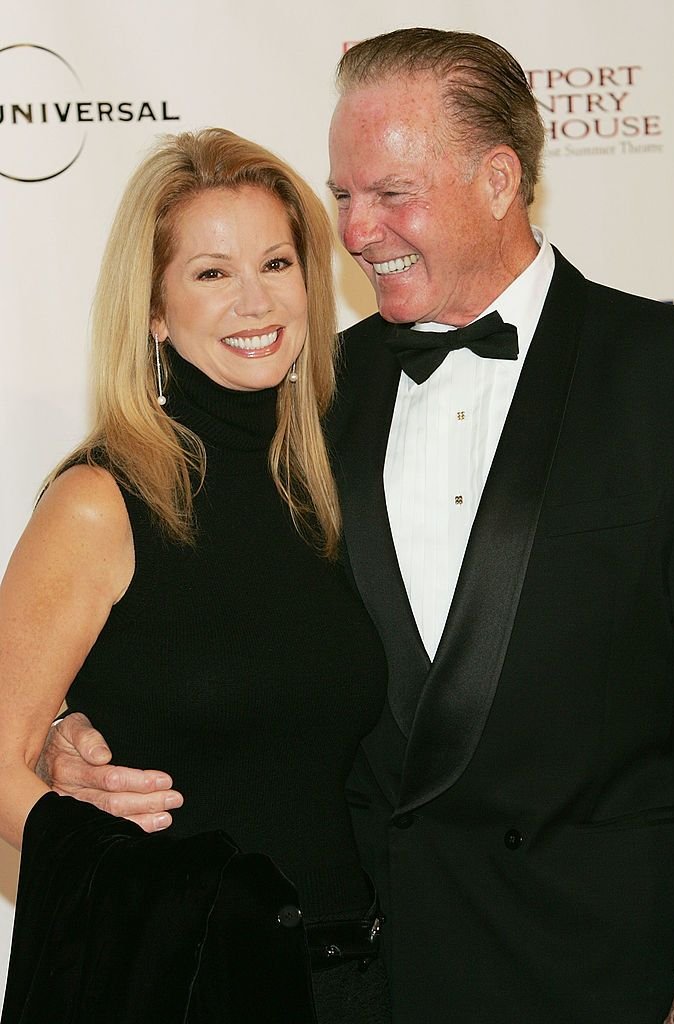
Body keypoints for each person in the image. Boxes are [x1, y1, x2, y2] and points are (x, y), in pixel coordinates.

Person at [42, 28, 674, 1024]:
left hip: (606, 965)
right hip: (373, 970)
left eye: (390, 193)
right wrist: (62, 735)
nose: (352, 232)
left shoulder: (670, 370)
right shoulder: (314, 401)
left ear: (496, 178)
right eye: (343, 194)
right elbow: (211, 618)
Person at [0, 127, 391, 1023]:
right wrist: (135, 887)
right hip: (181, 988)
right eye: (211, 273)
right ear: (153, 309)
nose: (254, 300)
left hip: (356, 981)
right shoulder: (104, 499)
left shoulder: (331, 480)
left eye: (277, 262)